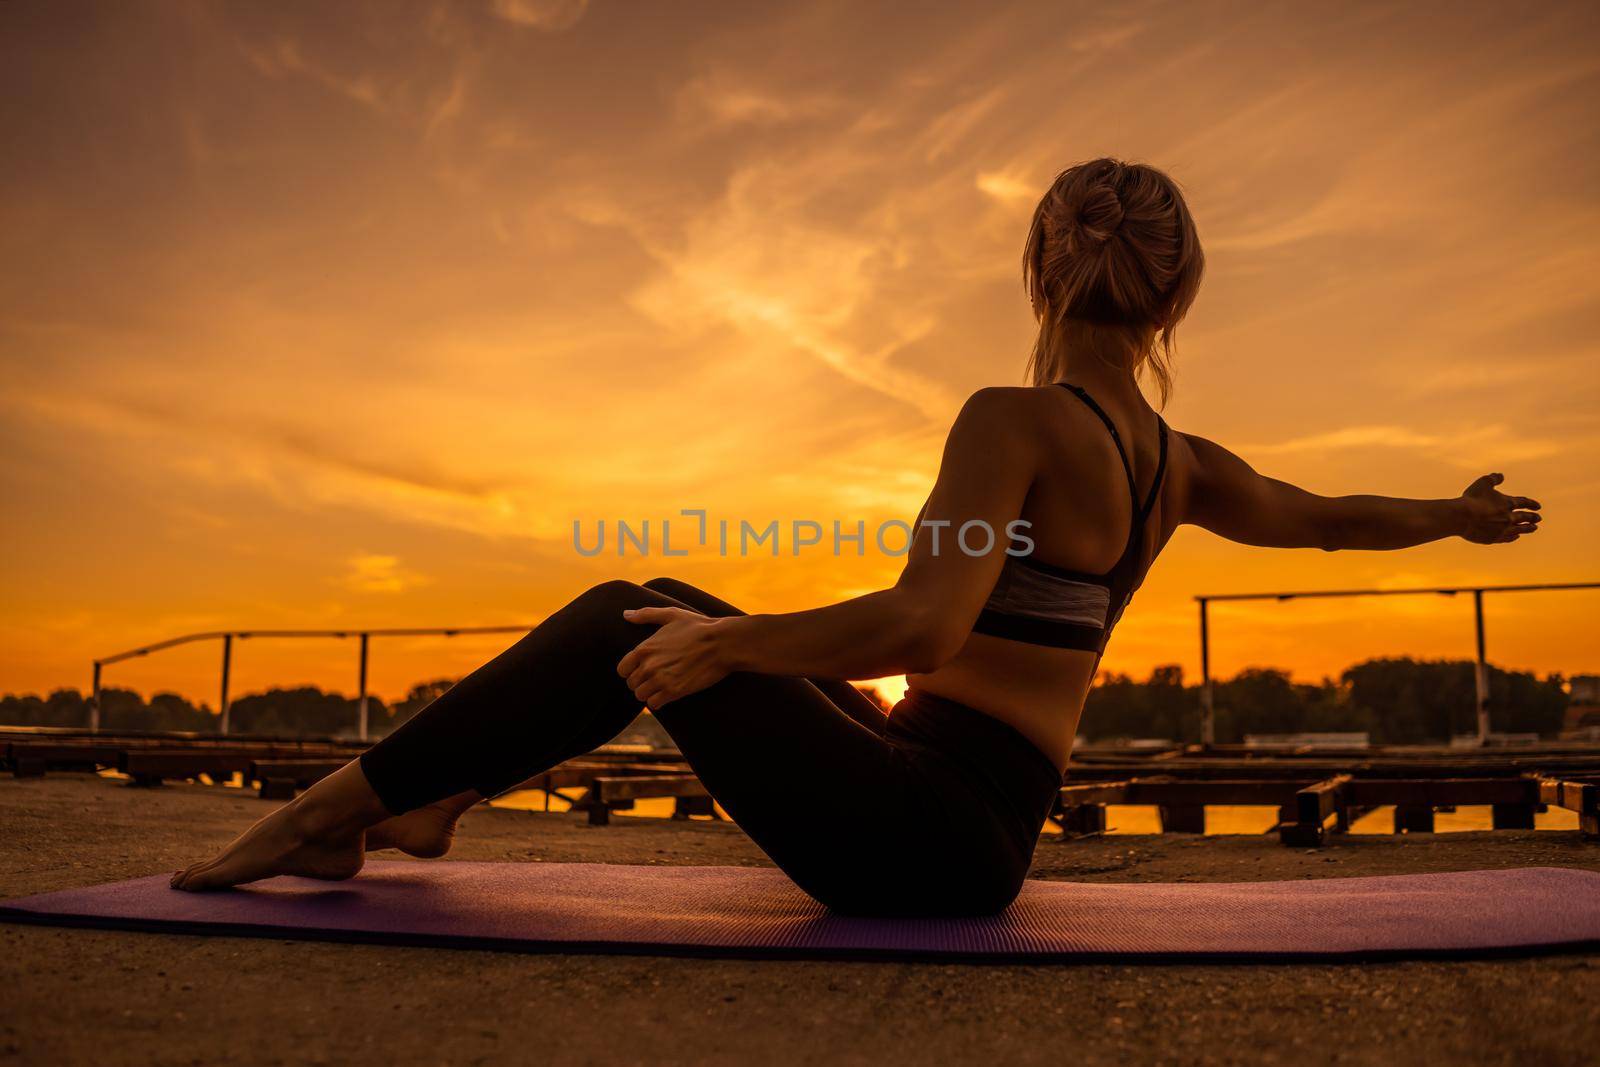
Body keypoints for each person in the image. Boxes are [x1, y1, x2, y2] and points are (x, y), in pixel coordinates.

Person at [170, 159, 1541, 914]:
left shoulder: (1016, 417)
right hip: (964, 799)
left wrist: (735, 645)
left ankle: (327, 814)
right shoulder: (1173, 462)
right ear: (1176, 299)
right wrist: (1458, 520)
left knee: (629, 625)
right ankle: (430, 800)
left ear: (1038, 267)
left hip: (936, 838)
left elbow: (923, 626)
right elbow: (1328, 524)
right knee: (659, 601)